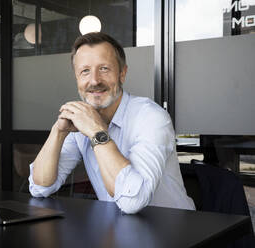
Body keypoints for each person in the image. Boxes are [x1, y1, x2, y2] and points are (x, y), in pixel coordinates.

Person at [28, 32, 195, 214]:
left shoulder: (151, 117)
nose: (94, 80)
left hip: (172, 230)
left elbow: (132, 202)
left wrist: (96, 131)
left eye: (104, 69)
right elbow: (40, 188)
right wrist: (58, 132)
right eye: (85, 71)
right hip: (119, 229)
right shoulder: (81, 119)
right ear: (77, 79)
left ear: (122, 74)